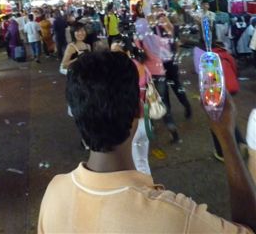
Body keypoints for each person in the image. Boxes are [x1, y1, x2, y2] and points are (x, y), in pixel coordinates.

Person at [38, 51, 256, 233]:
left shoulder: (55, 193)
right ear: (139, 110)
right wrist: (226, 135)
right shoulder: (175, 218)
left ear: (75, 113)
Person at [135, 18, 180, 143]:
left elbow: (136, 58)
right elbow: (169, 50)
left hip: (146, 77)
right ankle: (172, 130)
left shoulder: (138, 41)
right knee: (162, 103)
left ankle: (151, 127)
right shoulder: (155, 38)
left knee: (147, 102)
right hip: (160, 74)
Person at [111, 38, 150, 175]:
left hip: (132, 121)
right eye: (112, 52)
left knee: (135, 163)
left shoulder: (121, 71)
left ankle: (144, 192)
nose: (113, 56)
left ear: (127, 52)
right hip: (145, 118)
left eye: (117, 52)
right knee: (142, 160)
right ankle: (148, 187)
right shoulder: (141, 65)